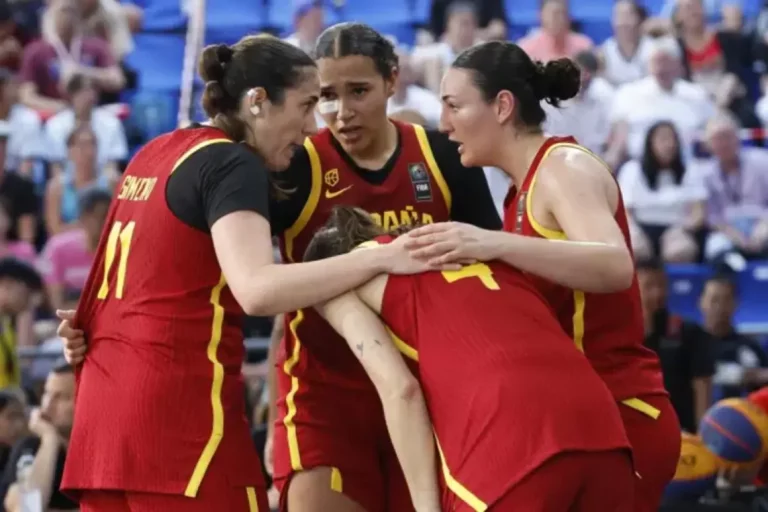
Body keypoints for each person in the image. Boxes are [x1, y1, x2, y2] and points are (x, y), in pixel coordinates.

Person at [56, 35, 439, 512]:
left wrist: (78, 335)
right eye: (305, 106)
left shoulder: (152, 153)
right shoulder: (232, 162)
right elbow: (257, 290)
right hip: (179, 427)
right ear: (257, 101)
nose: (311, 128)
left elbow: (108, 296)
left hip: (103, 427)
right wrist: (378, 257)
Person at [405, 41, 680, 512]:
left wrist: (493, 244)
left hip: (621, 412)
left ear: (502, 106)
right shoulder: (522, 187)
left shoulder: (562, 167)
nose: (444, 123)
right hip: (579, 417)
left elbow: (614, 265)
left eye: (454, 106)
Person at [268, 23, 501, 512]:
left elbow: (492, 277)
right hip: (324, 390)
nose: (342, 111)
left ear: (392, 81)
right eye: (327, 96)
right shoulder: (297, 166)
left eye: (359, 91)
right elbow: (260, 286)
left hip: (431, 390)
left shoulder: (442, 157)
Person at [303, 206, 634, 511]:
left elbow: (401, 390)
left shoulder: (336, 283)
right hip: (601, 422)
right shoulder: (463, 242)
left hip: (510, 434)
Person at [0, 360, 77, 512]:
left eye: (62, 397)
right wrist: (49, 439)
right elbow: (27, 508)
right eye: (47, 393)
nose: (47, 405)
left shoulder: (106, 451)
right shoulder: (31, 447)